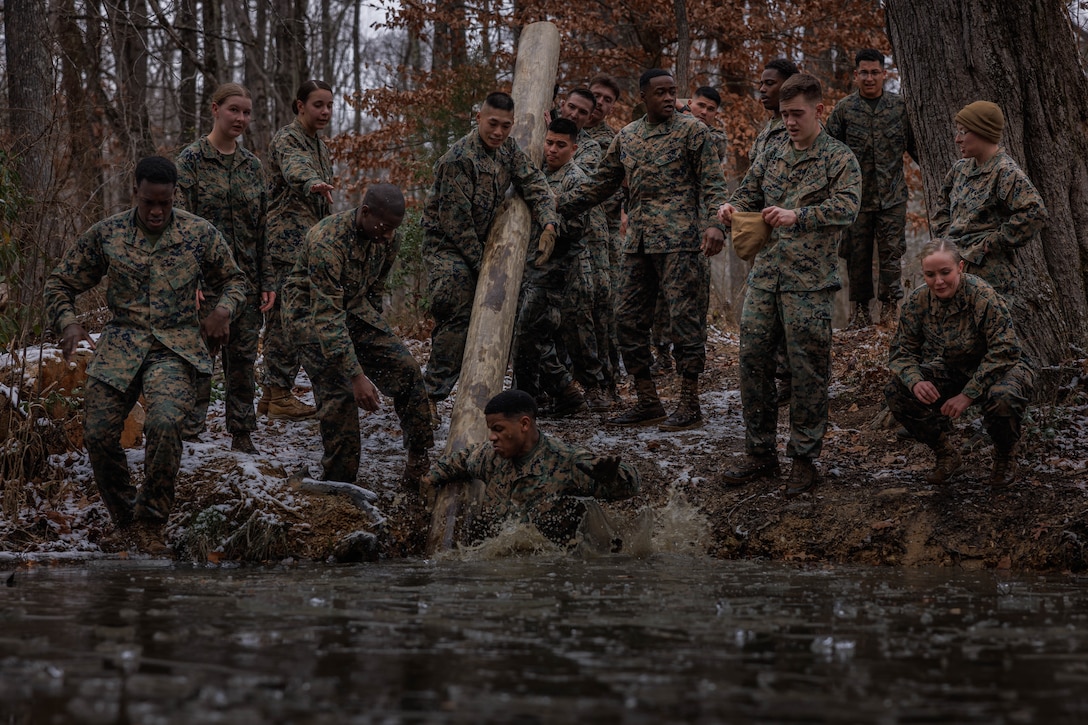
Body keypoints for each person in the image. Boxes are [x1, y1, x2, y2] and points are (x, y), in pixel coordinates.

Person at [43, 156, 248, 554]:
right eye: (149, 202)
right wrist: (67, 322)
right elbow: (60, 282)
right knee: (98, 435)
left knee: (166, 422)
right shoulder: (108, 233)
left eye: (165, 203)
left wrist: (223, 311)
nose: (156, 211)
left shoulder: (198, 233)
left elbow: (235, 280)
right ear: (135, 191)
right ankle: (126, 519)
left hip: (174, 348)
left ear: (174, 197)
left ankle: (152, 522)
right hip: (121, 346)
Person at [560, 69, 730, 431]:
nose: (669, 99)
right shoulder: (627, 137)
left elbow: (713, 183)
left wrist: (716, 224)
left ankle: (689, 401)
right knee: (626, 321)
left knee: (685, 324)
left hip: (683, 244)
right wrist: (556, 205)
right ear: (643, 98)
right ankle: (648, 400)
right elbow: (600, 184)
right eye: (661, 93)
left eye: (672, 92)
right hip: (637, 244)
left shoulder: (693, 131)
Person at [717, 73, 861, 495]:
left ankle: (804, 458)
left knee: (807, 370)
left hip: (809, 282)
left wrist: (800, 215)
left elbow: (848, 208)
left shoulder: (838, 158)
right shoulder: (774, 151)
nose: (791, 122)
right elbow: (748, 192)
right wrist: (730, 208)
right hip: (766, 278)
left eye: (797, 114)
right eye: (784, 114)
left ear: (819, 110)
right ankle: (760, 455)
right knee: (753, 362)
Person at [281, 184, 433, 488]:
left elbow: (374, 290)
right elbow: (326, 317)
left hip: (355, 310)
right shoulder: (327, 241)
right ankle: (341, 485)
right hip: (309, 316)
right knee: (339, 395)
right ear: (365, 213)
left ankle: (419, 463)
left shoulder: (387, 237)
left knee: (406, 370)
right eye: (386, 226)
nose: (390, 235)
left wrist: (377, 339)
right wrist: (356, 375)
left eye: (395, 229)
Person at [421, 91, 558, 425]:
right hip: (448, 249)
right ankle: (428, 395)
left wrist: (549, 220)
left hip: (482, 245)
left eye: (506, 126)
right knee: (461, 307)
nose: (498, 132)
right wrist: (486, 270)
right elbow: (457, 225)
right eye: (492, 124)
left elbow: (533, 182)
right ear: (479, 117)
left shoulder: (507, 149)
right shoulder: (460, 158)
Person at [885, 239, 1034, 487]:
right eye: (930, 274)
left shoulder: (981, 295)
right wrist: (915, 382)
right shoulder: (918, 301)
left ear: (960, 267)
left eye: (945, 272)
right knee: (896, 390)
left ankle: (1005, 456)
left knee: (1003, 397)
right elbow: (902, 353)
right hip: (955, 367)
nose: (938, 281)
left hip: (1003, 368)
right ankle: (946, 454)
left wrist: (968, 394)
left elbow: (1006, 350)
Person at [174, 82, 271, 454]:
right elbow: (179, 225)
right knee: (199, 358)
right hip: (205, 283)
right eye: (234, 110)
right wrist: (190, 277)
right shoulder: (191, 161)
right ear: (214, 109)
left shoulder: (252, 166)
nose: (241, 118)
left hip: (245, 282)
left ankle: (242, 432)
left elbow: (262, 226)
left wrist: (267, 280)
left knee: (243, 360)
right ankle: (191, 432)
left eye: (247, 112)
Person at [421, 390, 640, 547]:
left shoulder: (565, 461)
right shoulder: (491, 457)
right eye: (490, 430)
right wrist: (431, 478)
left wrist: (612, 478)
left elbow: (630, 487)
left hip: (556, 565)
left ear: (524, 424)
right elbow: (462, 458)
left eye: (498, 429)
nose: (492, 437)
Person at [260, 79, 336, 421]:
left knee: (287, 319)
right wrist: (311, 182)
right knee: (284, 321)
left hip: (309, 243)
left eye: (329, 106)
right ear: (300, 105)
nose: (325, 112)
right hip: (286, 244)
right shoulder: (288, 139)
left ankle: (273, 394)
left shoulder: (320, 146)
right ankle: (277, 394)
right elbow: (295, 169)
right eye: (318, 105)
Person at [825, 49, 918, 329]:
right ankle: (861, 313)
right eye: (863, 72)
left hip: (892, 197)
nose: (869, 78)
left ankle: (890, 311)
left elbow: (917, 148)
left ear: (884, 74)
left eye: (875, 72)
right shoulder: (843, 110)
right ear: (855, 76)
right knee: (857, 256)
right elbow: (828, 151)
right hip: (856, 199)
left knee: (892, 254)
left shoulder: (900, 108)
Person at [930, 100, 1048, 308]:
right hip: (954, 273)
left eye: (963, 132)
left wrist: (990, 244)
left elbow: (1034, 213)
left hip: (989, 277)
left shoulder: (1005, 172)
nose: (957, 140)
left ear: (982, 132)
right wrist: (948, 245)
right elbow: (942, 208)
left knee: (989, 337)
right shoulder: (959, 170)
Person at [512, 118, 590, 416]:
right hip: (528, 267)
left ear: (574, 148)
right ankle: (529, 397)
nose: (553, 150)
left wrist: (552, 219)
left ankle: (566, 392)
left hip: (553, 271)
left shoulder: (576, 179)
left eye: (560, 145)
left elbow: (579, 226)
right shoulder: (538, 170)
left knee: (529, 334)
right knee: (530, 337)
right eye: (549, 142)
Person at [750, 58, 799, 164]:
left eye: (770, 83)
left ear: (789, 85)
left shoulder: (801, 128)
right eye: (761, 84)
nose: (762, 89)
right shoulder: (766, 132)